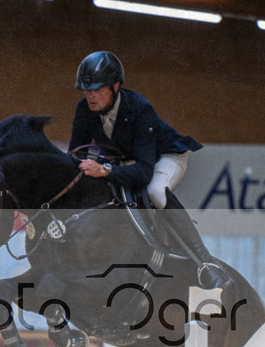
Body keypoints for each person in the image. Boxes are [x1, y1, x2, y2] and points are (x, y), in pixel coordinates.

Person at [67, 50, 232, 291]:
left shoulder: (139, 109)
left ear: (115, 86)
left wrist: (105, 170)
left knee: (155, 191)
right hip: (125, 161)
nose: (90, 96)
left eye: (97, 89)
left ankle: (206, 263)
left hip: (165, 156)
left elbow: (144, 172)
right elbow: (75, 154)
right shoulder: (84, 109)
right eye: (86, 89)